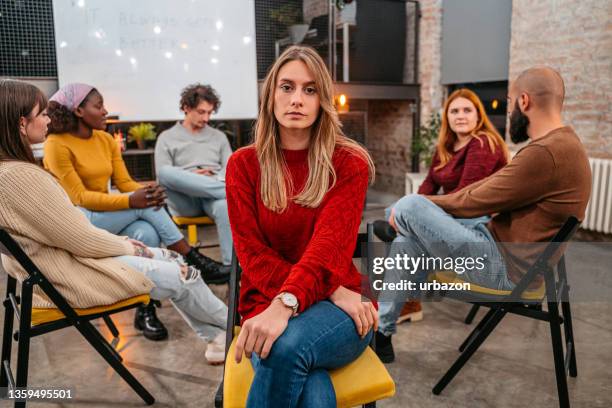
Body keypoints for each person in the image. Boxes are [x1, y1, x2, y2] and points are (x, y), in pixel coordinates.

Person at [0, 79, 228, 364]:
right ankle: (235, 328)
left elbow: (83, 225)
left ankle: (217, 338)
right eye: (41, 113)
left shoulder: (10, 172)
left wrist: (140, 204)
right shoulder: (24, 175)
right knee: (185, 273)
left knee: (147, 232)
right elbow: (81, 236)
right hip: (73, 276)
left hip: (65, 262)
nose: (47, 118)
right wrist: (129, 245)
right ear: (22, 124)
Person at [374, 66, 591, 364]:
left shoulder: (545, 153)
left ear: (524, 102)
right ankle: (382, 333)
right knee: (406, 242)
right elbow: (479, 194)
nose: (508, 107)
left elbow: (474, 198)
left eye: (510, 100)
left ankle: (396, 222)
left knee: (410, 206)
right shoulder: (562, 145)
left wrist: (416, 208)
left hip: (504, 268)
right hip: (494, 244)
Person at [226, 46, 377, 407]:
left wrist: (288, 304)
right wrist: (327, 290)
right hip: (284, 299)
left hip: (340, 315)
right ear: (270, 96)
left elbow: (328, 247)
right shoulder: (243, 165)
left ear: (323, 99)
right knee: (309, 386)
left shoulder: (348, 163)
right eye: (287, 87)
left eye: (310, 90)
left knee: (285, 346)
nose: (297, 99)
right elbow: (252, 254)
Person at [374, 88, 509, 324]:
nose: (460, 115)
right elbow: (428, 185)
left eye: (467, 110)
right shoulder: (445, 148)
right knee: (405, 236)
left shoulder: (483, 142)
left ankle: (406, 299)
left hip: (477, 226)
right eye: (454, 111)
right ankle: (385, 323)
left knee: (406, 214)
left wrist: (417, 211)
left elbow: (466, 196)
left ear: (478, 115)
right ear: (446, 117)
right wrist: (417, 210)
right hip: (453, 219)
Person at [155, 83, 233, 270]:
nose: (206, 118)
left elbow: (230, 169)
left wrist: (211, 179)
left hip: (213, 196)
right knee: (166, 172)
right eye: (201, 112)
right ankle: (233, 192)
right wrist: (190, 177)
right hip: (184, 199)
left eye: (210, 113)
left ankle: (232, 270)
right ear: (186, 108)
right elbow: (162, 176)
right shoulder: (166, 137)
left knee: (224, 204)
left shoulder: (219, 137)